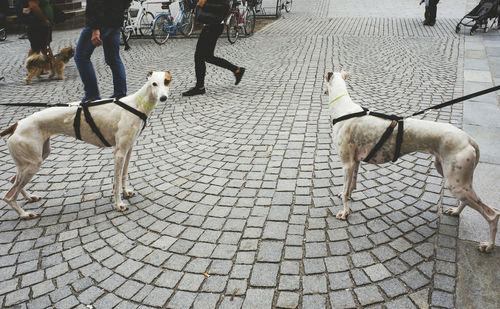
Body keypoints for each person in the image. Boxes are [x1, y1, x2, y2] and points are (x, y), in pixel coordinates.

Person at [182, 0, 245, 97]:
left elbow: (221, 7)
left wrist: (201, 4)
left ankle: (200, 87)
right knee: (208, 57)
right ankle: (237, 70)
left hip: (212, 26)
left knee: (199, 56)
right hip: (213, 26)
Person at [74, 0, 131, 102]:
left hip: (101, 22)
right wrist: (120, 10)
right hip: (115, 20)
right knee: (114, 58)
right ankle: (120, 94)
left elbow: (94, 3)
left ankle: (92, 95)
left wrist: (95, 28)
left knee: (81, 57)